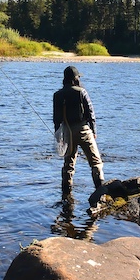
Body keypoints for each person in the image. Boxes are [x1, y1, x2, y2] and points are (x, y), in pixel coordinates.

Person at [53, 66, 104, 198]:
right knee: (95, 162)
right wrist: (93, 130)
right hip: (83, 129)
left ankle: (66, 194)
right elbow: (90, 112)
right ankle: (100, 191)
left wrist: (58, 135)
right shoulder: (82, 92)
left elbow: (56, 119)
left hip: (67, 132)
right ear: (76, 78)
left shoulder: (57, 95)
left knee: (68, 164)